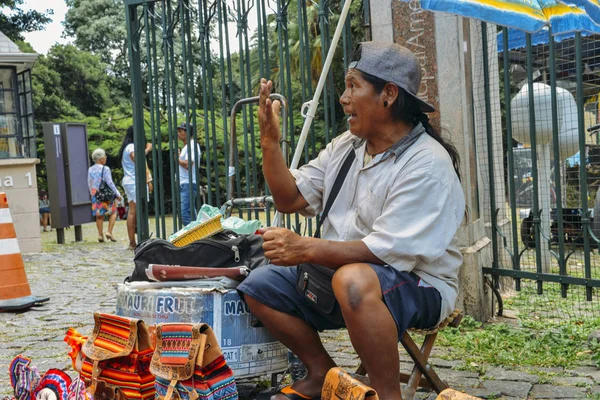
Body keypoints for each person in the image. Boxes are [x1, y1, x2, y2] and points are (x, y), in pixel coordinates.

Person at [237, 42, 466, 400]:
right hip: (344, 275)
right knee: (260, 285)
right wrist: (270, 143)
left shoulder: (426, 164)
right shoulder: (348, 146)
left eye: (353, 85)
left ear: (388, 94)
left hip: (419, 282)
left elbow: (387, 251)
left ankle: (386, 395)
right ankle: (322, 375)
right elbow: (289, 198)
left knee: (353, 280)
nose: (344, 98)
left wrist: (306, 247)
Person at [119, 125, 152, 250]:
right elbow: (137, 159)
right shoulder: (132, 147)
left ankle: (134, 241)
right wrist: (147, 149)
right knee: (136, 211)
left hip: (130, 181)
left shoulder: (127, 147)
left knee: (133, 211)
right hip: (134, 182)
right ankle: (135, 241)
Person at [87, 148, 122, 243]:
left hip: (95, 195)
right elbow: (109, 182)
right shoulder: (105, 168)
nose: (106, 158)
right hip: (106, 195)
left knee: (99, 215)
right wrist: (117, 193)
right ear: (101, 159)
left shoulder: (90, 169)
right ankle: (109, 232)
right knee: (113, 212)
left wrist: (92, 194)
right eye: (105, 156)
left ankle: (100, 235)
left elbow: (89, 183)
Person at [177, 122, 202, 225]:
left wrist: (177, 159)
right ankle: (200, 237)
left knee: (184, 214)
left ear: (187, 133)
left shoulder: (192, 145)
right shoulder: (187, 146)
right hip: (186, 183)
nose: (178, 133)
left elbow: (188, 165)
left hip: (188, 183)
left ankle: (196, 236)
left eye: (180, 131)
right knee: (191, 213)